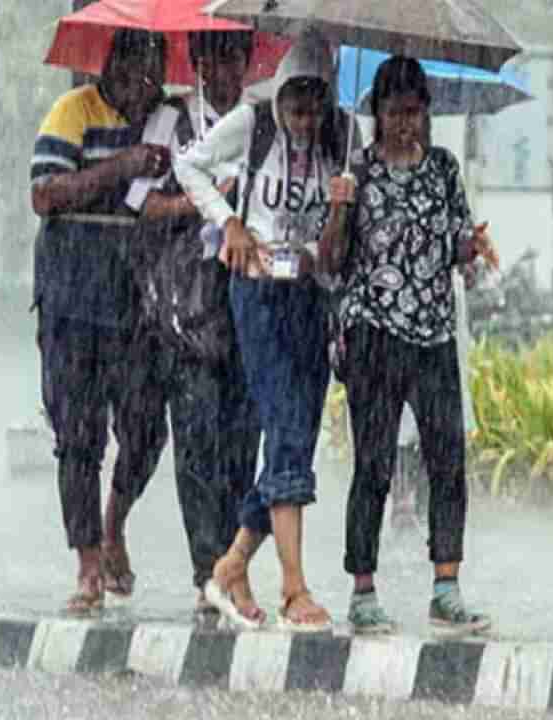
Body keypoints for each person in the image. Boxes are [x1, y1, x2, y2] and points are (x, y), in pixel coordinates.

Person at [175, 26, 356, 631]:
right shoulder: (251, 126)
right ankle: (294, 587)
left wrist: (334, 214)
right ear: (278, 92)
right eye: (295, 98)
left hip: (311, 298)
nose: (305, 113)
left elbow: (335, 248)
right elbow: (189, 165)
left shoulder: (345, 137)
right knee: (282, 426)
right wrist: (228, 222)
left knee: (295, 438)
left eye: (316, 99)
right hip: (255, 293)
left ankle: (230, 564)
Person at [320, 56, 496, 633]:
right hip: (374, 333)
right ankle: (362, 588)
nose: (406, 125)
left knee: (447, 461)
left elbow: (456, 244)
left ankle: (446, 585)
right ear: (376, 114)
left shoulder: (444, 169)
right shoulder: (358, 172)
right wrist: (340, 208)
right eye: (395, 113)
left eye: (415, 113)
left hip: (434, 335)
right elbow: (333, 262)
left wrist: (473, 247)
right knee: (373, 464)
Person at [29, 29, 171, 615]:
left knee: (145, 429)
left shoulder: (168, 120)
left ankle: (115, 522)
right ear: (110, 65)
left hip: (140, 299)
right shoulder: (72, 110)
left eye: (154, 65)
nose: (143, 78)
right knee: (78, 437)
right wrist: (123, 166)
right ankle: (87, 561)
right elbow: (45, 194)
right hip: (71, 297)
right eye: (133, 63)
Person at [124, 30, 263, 619]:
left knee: (242, 444)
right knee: (197, 442)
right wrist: (204, 203)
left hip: (251, 305)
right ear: (198, 59)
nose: (225, 66)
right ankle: (204, 567)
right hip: (186, 309)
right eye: (214, 54)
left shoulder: (265, 122)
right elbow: (140, 203)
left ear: (249, 60)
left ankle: (234, 566)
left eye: (236, 54)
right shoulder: (172, 120)